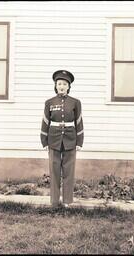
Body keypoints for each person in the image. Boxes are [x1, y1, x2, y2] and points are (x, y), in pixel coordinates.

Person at [40, 70, 84, 207]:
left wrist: (79, 141)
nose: (62, 86)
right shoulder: (49, 102)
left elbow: (79, 122)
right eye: (59, 83)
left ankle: (67, 201)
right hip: (53, 140)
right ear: (55, 85)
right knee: (54, 171)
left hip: (71, 140)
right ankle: (54, 201)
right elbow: (45, 122)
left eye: (65, 84)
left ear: (69, 86)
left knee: (68, 172)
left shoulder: (75, 102)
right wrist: (44, 140)